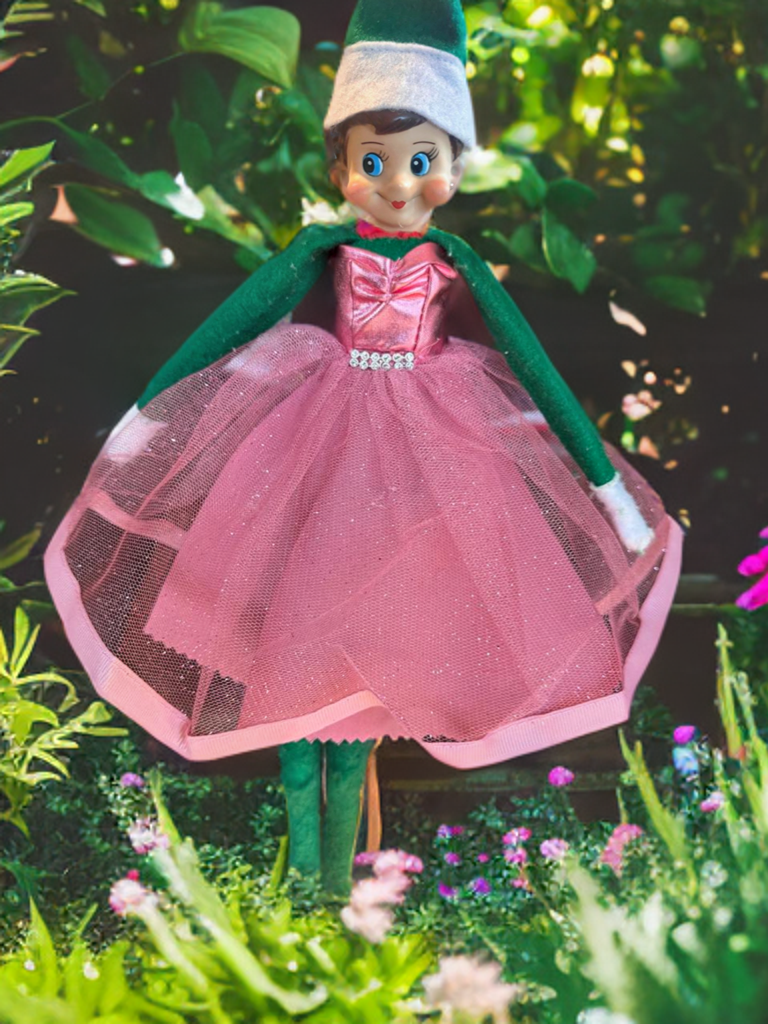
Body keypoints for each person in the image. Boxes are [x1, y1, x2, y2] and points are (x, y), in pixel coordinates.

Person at [45, 0, 682, 893]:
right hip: (321, 441)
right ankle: (304, 890)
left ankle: (335, 894)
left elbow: (535, 372)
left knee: (360, 715)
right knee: (292, 699)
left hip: (423, 462)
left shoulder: (454, 264)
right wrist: (148, 414)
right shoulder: (323, 251)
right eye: (373, 162)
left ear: (453, 169)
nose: (396, 182)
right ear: (341, 168)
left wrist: (605, 486)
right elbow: (232, 325)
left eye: (421, 161)